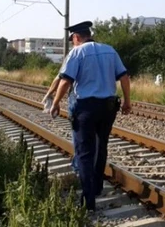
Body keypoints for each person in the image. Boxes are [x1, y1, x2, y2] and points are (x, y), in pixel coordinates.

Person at [49, 21, 131, 212]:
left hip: (85, 108)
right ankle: (97, 187)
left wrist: (55, 103)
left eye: (72, 40)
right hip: (108, 107)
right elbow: (124, 77)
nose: (73, 44)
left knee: (85, 152)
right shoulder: (110, 50)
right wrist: (127, 101)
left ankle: (88, 201)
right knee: (101, 146)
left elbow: (66, 81)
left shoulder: (77, 53)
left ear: (76, 37)